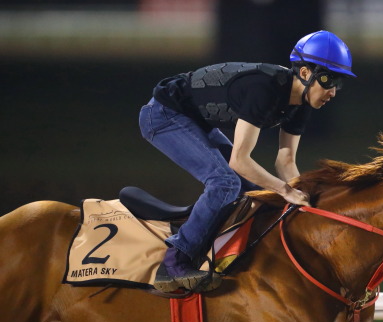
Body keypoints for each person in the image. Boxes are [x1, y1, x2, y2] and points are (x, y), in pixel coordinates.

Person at [139, 30, 356, 293]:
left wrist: (306, 200)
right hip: (163, 116)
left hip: (194, 121)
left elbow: (285, 161)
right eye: (328, 79)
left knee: (245, 189)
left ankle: (211, 254)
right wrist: (286, 191)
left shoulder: (301, 103)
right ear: (306, 73)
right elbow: (239, 161)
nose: (333, 91)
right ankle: (174, 262)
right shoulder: (264, 88)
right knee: (225, 183)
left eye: (339, 83)